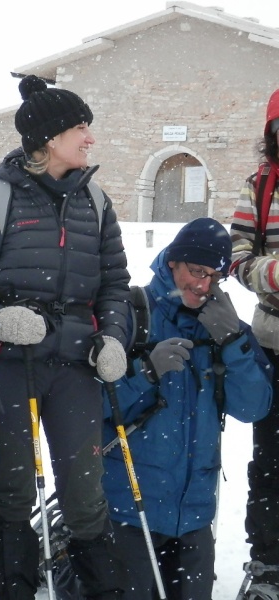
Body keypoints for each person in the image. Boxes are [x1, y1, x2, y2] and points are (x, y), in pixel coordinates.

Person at [0, 74, 131, 600]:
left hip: (77, 368)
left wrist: (113, 337)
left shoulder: (97, 202)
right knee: (15, 494)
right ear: (48, 138)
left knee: (86, 495)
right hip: (8, 365)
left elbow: (114, 284)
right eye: (80, 128)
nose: (90, 138)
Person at [102, 218, 272, 599]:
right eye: (196, 271)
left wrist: (232, 342)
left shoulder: (225, 329)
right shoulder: (130, 315)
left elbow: (254, 408)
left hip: (194, 512)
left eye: (214, 276)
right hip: (130, 509)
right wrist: (144, 373)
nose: (202, 285)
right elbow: (89, 407)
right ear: (173, 262)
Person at [230, 86, 279, 598]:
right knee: (271, 464)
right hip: (275, 342)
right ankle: (268, 563)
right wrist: (272, 272)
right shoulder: (261, 187)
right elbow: (238, 253)